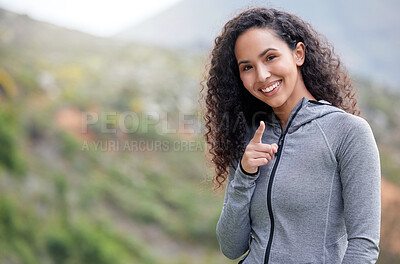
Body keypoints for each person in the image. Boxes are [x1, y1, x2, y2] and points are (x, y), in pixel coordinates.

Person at [201, 7, 381, 264]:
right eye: (247, 67)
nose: (262, 75)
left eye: (271, 57)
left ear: (298, 54)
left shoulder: (347, 132)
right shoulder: (250, 138)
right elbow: (231, 247)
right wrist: (244, 174)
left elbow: (364, 247)